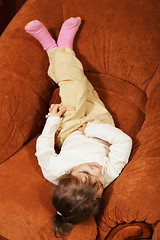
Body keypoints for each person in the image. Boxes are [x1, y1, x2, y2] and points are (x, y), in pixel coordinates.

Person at [25, 17, 132, 236]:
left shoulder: (54, 171)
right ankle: (57, 51)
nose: (95, 172)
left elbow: (43, 148)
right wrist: (93, 129)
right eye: (99, 185)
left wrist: (52, 121)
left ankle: (58, 47)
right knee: (83, 85)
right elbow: (124, 141)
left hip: (70, 126)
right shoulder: (109, 173)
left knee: (74, 85)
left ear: (65, 175)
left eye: (85, 173)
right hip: (100, 122)